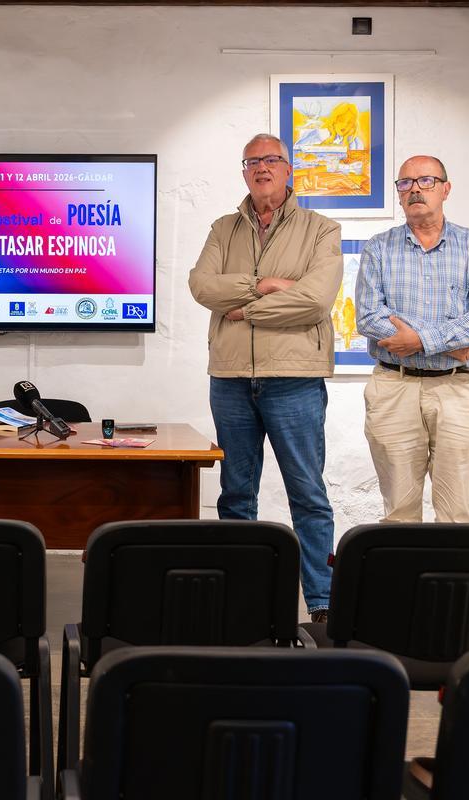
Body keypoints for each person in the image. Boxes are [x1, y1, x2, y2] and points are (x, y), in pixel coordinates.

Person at [188, 133, 342, 622]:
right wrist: (263, 284)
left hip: (294, 378)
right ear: (243, 172)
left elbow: (315, 301)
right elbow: (201, 285)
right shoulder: (223, 228)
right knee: (235, 493)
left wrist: (245, 309)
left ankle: (321, 603)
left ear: (288, 168)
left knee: (308, 494)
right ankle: (240, 596)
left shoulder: (321, 229)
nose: (262, 168)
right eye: (252, 161)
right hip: (230, 377)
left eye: (271, 160)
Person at [355, 155, 469, 523]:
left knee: (455, 513)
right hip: (394, 388)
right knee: (399, 513)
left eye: (426, 181)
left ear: (446, 189)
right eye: (405, 184)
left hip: (461, 389)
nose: (415, 190)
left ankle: (449, 583)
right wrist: (447, 340)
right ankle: (403, 582)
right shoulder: (378, 248)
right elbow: (369, 316)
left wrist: (420, 339)